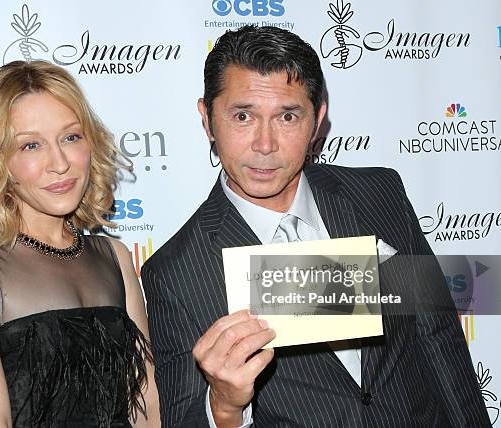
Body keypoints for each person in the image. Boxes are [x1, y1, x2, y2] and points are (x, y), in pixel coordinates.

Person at [140, 26, 489, 427]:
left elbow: (437, 335)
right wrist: (223, 406)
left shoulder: (379, 193)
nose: (265, 144)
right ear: (207, 119)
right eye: (242, 116)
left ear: (317, 118)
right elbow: (185, 418)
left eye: (287, 116)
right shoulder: (175, 272)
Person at [0, 60, 160, 427]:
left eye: (71, 137)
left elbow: (147, 407)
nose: (61, 163)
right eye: (31, 145)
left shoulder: (113, 257)